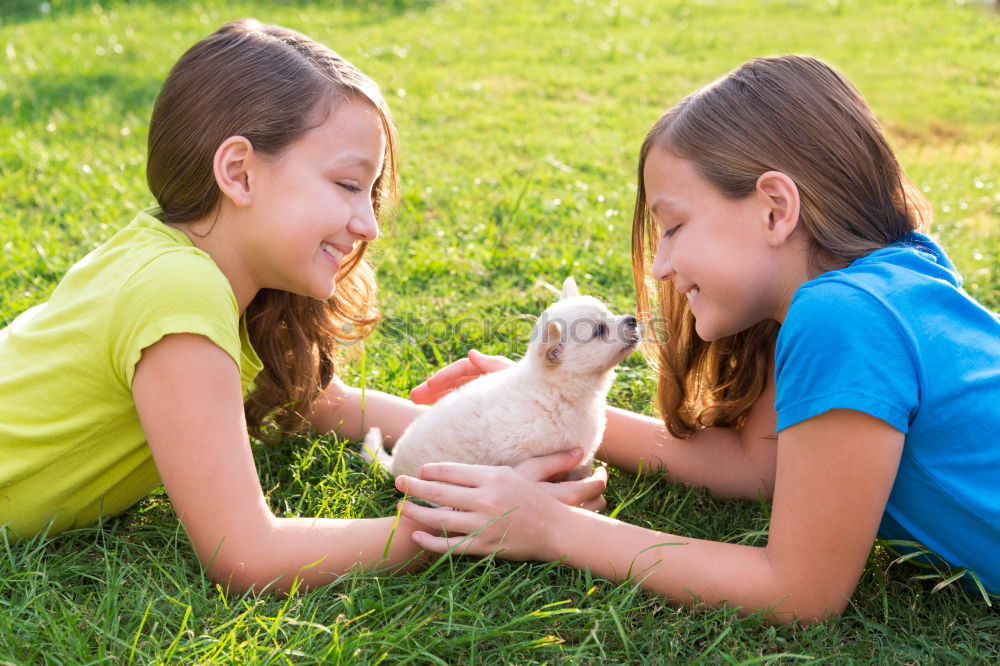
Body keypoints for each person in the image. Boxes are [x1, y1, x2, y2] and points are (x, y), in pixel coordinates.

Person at [0, 19, 606, 594]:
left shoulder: (199, 266)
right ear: (239, 172)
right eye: (347, 185)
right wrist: (468, 523)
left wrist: (524, 423)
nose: (368, 224)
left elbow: (322, 402)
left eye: (370, 195)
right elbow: (245, 553)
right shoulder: (176, 293)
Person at [402, 55, 1000, 623]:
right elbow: (756, 467)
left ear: (774, 209)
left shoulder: (841, 317)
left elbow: (799, 592)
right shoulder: (877, 286)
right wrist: (545, 398)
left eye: (674, 227)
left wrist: (552, 528)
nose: (660, 266)